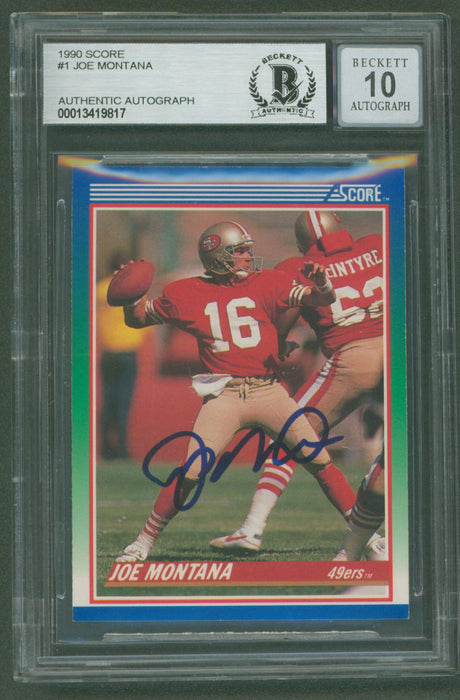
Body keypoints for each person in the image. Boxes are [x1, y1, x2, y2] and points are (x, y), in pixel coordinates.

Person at [113, 220, 356, 563]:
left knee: (319, 460)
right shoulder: (185, 292)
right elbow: (137, 319)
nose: (248, 256)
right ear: (219, 257)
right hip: (224, 395)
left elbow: (321, 298)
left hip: (269, 391)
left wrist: (323, 283)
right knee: (191, 471)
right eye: (239, 251)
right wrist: (131, 293)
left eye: (247, 249)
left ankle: (367, 537)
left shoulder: (268, 281)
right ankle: (143, 542)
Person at [210, 210, 386, 559]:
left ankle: (252, 528)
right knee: (395, 458)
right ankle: (373, 542)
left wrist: (278, 348)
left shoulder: (298, 267)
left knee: (289, 433)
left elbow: (280, 324)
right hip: (399, 352)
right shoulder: (378, 245)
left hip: (354, 358)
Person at [97, 251, 150, 459]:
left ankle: (105, 447)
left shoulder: (101, 289)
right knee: (123, 402)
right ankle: (121, 449)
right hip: (128, 352)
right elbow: (146, 321)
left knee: (108, 400)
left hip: (108, 351)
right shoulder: (133, 290)